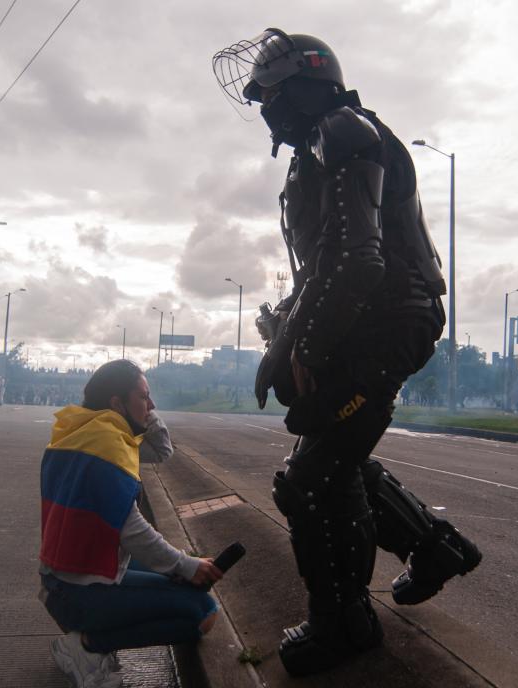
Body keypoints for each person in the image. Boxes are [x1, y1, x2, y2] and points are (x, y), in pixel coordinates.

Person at [213, 30, 482, 676]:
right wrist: (285, 333)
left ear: (309, 83)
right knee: (337, 460)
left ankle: (345, 622)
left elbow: (357, 260)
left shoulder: (343, 130)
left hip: (386, 323)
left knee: (308, 483)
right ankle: (435, 546)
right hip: (370, 321)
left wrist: (305, 342)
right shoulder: (316, 149)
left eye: (272, 92)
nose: (266, 106)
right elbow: (326, 266)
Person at [38, 360, 221, 688]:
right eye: (144, 397)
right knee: (203, 613)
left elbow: (162, 451)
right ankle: (86, 648)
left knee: (179, 579)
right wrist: (186, 564)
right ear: (116, 403)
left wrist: (140, 408)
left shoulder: (82, 431)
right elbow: (132, 530)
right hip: (80, 595)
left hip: (62, 578)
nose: (152, 406)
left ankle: (88, 637)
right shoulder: (108, 446)